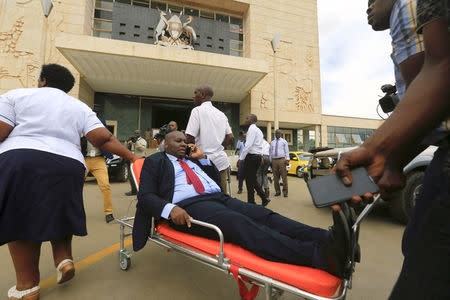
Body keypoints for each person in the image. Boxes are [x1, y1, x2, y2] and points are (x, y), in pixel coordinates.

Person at [335, 1, 449, 299]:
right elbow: (433, 116)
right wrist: (391, 161)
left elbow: (442, 69)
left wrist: (377, 149)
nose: (368, 7)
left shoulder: (406, 6)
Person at [132, 131, 354, 280]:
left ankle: (326, 239)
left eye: (185, 141)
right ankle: (320, 257)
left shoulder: (192, 160)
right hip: (189, 207)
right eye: (177, 141)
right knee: (238, 223)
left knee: (264, 214)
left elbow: (214, 182)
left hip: (218, 199)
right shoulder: (155, 161)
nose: (184, 144)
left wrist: (202, 159)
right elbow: (146, 196)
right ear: (165, 144)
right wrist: (170, 209)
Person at [0, 64, 139, 300]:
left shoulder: (15, 95)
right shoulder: (78, 106)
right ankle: (63, 259)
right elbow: (102, 138)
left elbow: (2, 131)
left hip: (22, 160)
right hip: (68, 164)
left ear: (43, 80)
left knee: (20, 218)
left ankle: (27, 287)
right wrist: (133, 158)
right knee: (61, 210)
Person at [186, 84, 234, 194]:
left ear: (202, 95)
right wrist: (218, 147)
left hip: (203, 162)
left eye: (195, 93)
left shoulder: (197, 111)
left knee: (205, 195)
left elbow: (189, 137)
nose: (193, 96)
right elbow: (230, 137)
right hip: (221, 162)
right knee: (221, 196)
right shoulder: (222, 114)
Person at [237, 114, 270, 206]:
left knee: (249, 180)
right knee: (252, 179)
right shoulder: (258, 130)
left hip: (251, 157)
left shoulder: (252, 129)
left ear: (252, 120)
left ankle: (252, 201)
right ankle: (261, 198)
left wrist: (240, 159)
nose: (245, 119)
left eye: (247, 118)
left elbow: (248, 145)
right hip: (257, 157)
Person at [82, 135, 115, 223]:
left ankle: (109, 212)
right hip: (84, 160)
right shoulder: (82, 133)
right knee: (76, 186)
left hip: (99, 160)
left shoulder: (100, 132)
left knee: (105, 185)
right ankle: (73, 211)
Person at [125, 129, 147, 196]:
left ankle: (142, 191)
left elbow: (143, 149)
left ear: (140, 133)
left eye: (137, 133)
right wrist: (127, 141)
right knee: (131, 176)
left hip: (140, 159)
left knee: (140, 176)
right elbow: (126, 147)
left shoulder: (143, 141)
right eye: (135, 133)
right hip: (133, 159)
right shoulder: (132, 141)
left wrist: (136, 142)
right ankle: (133, 191)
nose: (136, 134)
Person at [269, 129, 290, 197]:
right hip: (274, 161)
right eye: (276, 133)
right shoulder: (272, 142)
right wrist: (270, 161)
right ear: (275, 134)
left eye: (279, 133)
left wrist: (287, 160)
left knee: (284, 177)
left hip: (282, 160)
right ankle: (277, 191)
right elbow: (270, 153)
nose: (278, 134)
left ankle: (285, 192)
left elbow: (287, 151)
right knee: (275, 177)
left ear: (281, 134)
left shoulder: (284, 141)